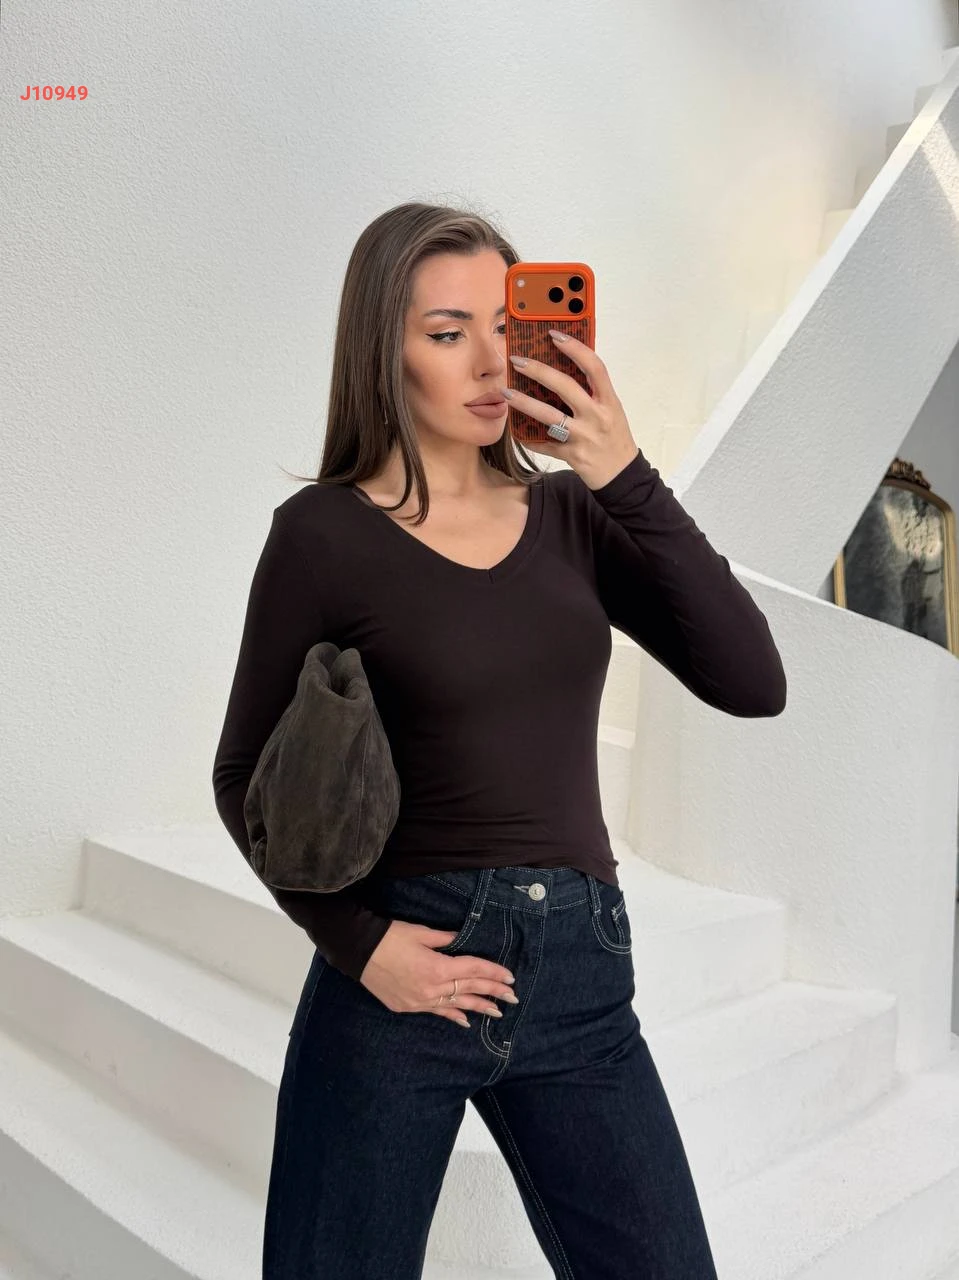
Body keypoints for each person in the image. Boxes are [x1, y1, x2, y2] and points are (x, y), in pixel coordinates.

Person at [212, 201, 787, 1279]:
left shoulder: (575, 516)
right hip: (404, 968)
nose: (490, 362)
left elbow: (752, 681)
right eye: (446, 333)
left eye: (504, 325)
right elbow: (242, 775)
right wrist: (359, 946)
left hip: (579, 972)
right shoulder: (322, 533)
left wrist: (625, 474)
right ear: (382, 355)